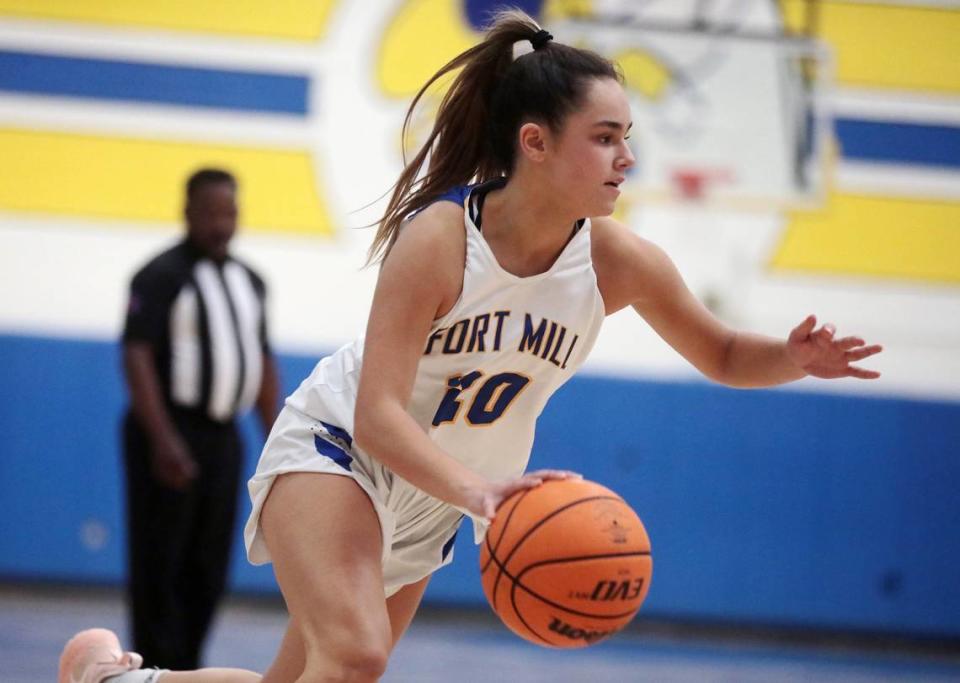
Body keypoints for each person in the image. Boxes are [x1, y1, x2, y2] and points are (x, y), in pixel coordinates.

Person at [59, 11, 880, 683]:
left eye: (627, 135)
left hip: (436, 495)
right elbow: (380, 414)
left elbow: (727, 353)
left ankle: (122, 681)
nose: (627, 156)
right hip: (341, 449)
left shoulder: (615, 257)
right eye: (604, 136)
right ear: (535, 143)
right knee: (355, 653)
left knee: (311, 676)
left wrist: (793, 356)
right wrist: (484, 495)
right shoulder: (443, 238)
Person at [118, 168, 280, 671]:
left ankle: (187, 668)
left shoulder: (250, 281)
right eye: (210, 212)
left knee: (209, 562)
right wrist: (163, 440)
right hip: (167, 433)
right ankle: (154, 668)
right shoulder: (159, 275)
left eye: (229, 212)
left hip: (223, 439)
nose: (220, 224)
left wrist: (278, 438)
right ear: (187, 211)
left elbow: (261, 360)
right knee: (160, 560)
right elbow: (136, 354)